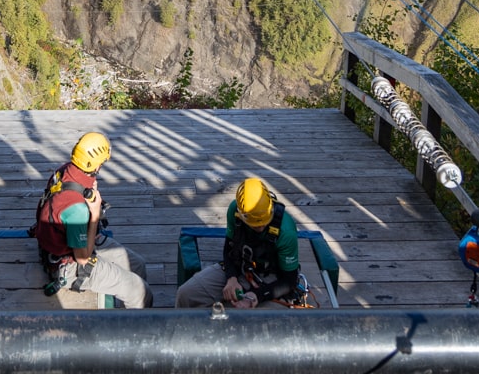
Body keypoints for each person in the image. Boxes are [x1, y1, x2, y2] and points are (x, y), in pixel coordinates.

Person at [32, 132, 153, 308]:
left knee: (138, 265)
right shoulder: (76, 209)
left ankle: (129, 311)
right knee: (141, 292)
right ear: (96, 165)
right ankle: (137, 332)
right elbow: (82, 258)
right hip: (69, 264)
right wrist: (95, 215)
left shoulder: (65, 171)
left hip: (69, 242)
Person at [175, 178, 300, 309]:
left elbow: (289, 281)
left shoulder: (286, 230)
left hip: (272, 279)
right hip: (240, 267)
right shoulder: (234, 211)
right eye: (256, 225)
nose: (261, 226)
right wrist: (231, 278)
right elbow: (229, 249)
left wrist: (257, 295)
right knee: (186, 294)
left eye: (264, 222)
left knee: (251, 318)